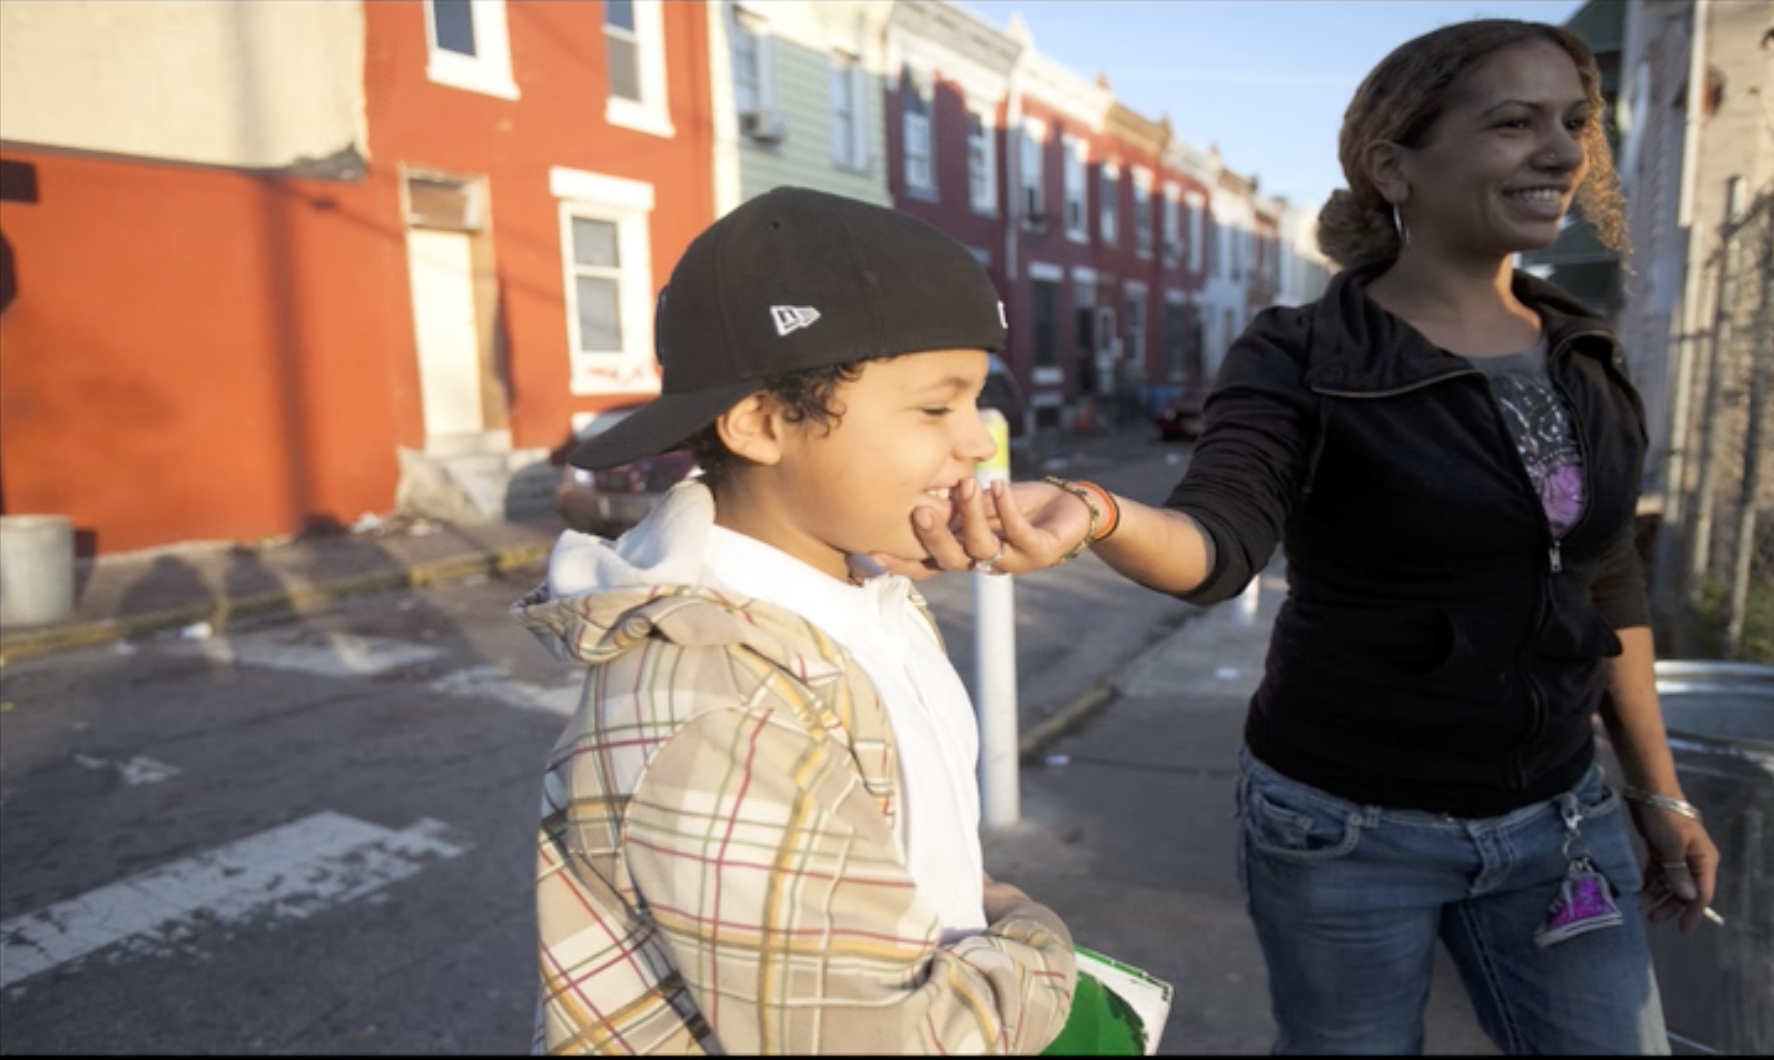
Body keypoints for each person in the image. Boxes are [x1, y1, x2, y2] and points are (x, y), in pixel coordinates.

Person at [881, 19, 1720, 1056]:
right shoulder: (1303, 351)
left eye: (1572, 123)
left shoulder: (1585, 351)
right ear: (1391, 165)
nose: (1560, 152)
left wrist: (1655, 788)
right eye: (1513, 123)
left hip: (1560, 820)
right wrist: (1097, 511)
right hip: (1346, 828)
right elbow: (1217, 537)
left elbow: (1607, 578)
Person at [513, 187, 1075, 1055]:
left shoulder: (865, 597)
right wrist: (1033, 939)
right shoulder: (717, 704)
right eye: (936, 406)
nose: (976, 443)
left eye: (975, 402)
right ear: (763, 423)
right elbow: (886, 1038)